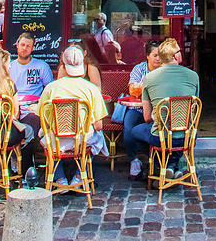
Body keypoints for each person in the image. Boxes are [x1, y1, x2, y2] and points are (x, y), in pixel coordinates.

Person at [38, 45, 108, 186]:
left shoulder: (51, 88)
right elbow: (99, 126)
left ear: (64, 65)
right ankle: (79, 175)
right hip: (82, 141)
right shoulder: (92, 89)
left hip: (57, 141)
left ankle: (59, 178)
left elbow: (43, 121)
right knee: (98, 137)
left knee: (46, 137)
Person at [130, 38, 199, 176]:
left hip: (161, 136)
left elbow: (147, 117)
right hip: (188, 135)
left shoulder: (149, 78)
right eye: (179, 51)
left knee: (134, 132)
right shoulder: (193, 76)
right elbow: (195, 108)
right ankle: (171, 167)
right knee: (177, 136)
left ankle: (158, 168)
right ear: (176, 56)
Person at [125, 40, 162, 178]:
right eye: (155, 55)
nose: (158, 59)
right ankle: (133, 159)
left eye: (160, 55)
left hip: (157, 111)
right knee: (129, 127)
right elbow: (132, 90)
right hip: (138, 109)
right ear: (147, 56)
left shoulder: (165, 69)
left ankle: (158, 161)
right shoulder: (139, 69)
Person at [9, 33, 53, 97]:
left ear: (32, 48)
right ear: (17, 45)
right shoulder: (9, 67)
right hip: (13, 103)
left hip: (35, 104)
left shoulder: (42, 66)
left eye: (28, 46)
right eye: (22, 45)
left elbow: (51, 89)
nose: (24, 48)